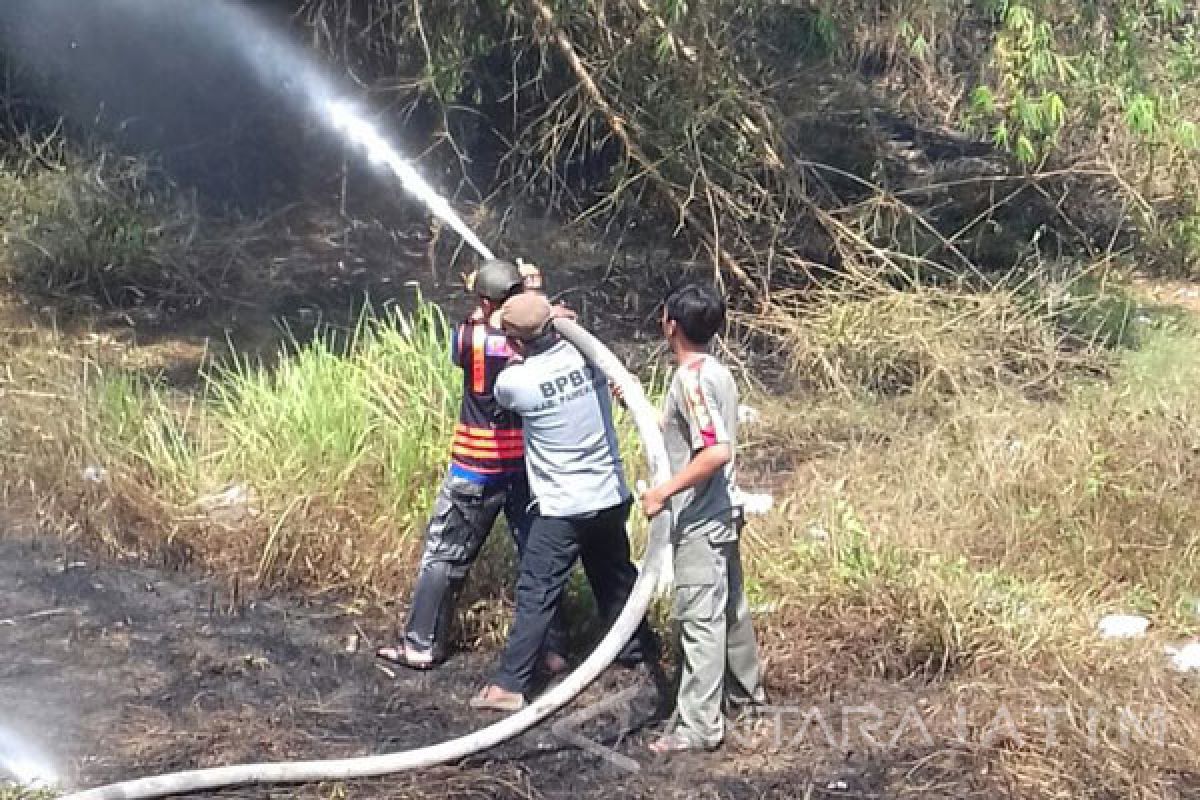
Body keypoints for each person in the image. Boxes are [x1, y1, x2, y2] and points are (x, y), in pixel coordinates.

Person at [470, 290, 661, 711]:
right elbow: (578, 343)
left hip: (563, 509)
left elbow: (505, 386)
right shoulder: (591, 357)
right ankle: (636, 648)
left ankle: (509, 686)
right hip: (610, 495)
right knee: (614, 576)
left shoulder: (515, 384)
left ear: (517, 343)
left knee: (537, 590)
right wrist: (557, 319)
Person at [377, 259, 568, 673]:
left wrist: (497, 298)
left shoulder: (469, 339)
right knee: (538, 557)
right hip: (527, 469)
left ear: (484, 300)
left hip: (475, 468)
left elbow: (478, 324)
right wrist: (533, 290)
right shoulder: (543, 336)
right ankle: (552, 650)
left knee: (443, 555)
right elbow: (535, 319)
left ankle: (421, 645)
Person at [639, 283, 765, 753]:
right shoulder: (714, 372)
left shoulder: (690, 381)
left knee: (700, 619)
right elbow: (688, 429)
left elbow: (714, 450)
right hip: (722, 512)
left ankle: (698, 727)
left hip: (701, 520)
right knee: (730, 610)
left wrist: (662, 493)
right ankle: (746, 698)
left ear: (670, 325)